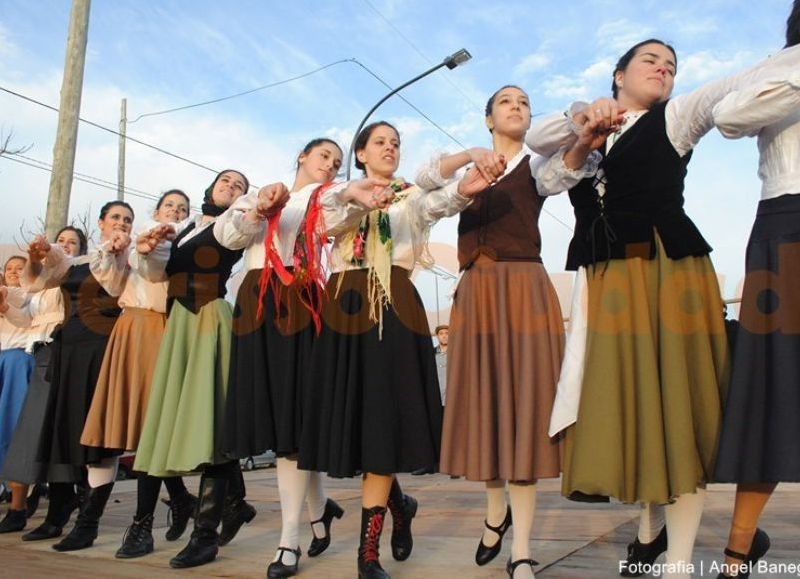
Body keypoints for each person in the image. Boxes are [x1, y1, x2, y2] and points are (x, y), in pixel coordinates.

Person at [527, 37, 800, 579]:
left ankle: (677, 562)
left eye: (671, 66)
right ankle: (652, 535)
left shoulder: (675, 116)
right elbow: (544, 171)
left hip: (665, 272)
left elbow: (728, 92)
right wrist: (583, 123)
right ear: (618, 75)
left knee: (673, 413)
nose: (664, 70)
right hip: (607, 284)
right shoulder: (586, 128)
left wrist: (780, 60)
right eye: (650, 61)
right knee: (633, 410)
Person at [298, 120, 491, 579]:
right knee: (361, 422)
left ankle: (368, 554)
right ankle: (400, 504)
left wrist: (465, 184)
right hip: (345, 305)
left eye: (395, 144)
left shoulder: (409, 196)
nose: (389, 149)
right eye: (379, 143)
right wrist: (354, 197)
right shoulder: (338, 193)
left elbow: (438, 199)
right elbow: (325, 223)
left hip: (395, 303)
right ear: (360, 153)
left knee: (383, 418)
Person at [416, 85, 586, 579]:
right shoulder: (465, 171)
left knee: (526, 410)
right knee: (487, 406)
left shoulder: (535, 165)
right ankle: (495, 515)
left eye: (524, 103)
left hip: (523, 286)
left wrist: (578, 127)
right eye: (506, 102)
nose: (517, 107)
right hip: (476, 291)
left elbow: (569, 167)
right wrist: (471, 156)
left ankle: (523, 548)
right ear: (488, 118)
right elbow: (424, 181)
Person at [218, 138, 347, 578]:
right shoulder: (267, 194)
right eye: (324, 156)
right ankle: (318, 511)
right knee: (285, 420)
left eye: (337, 161)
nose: (330, 165)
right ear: (302, 157)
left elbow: (344, 213)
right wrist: (258, 207)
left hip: (305, 299)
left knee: (295, 423)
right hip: (259, 300)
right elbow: (229, 235)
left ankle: (287, 540)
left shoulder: (330, 199)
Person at [132, 169, 273, 569]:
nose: (232, 187)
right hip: (178, 323)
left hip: (209, 318)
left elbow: (240, 229)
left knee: (213, 427)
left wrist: (250, 205)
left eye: (240, 186)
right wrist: (147, 249)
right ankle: (234, 505)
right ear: (210, 188)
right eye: (226, 182)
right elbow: (156, 274)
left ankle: (205, 535)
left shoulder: (236, 222)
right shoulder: (185, 228)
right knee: (178, 422)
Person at [711, 4, 800, 577]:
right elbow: (730, 117)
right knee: (774, 388)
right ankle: (737, 553)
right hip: (786, 223)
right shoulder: (782, 66)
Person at [77, 190, 199, 558]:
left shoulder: (186, 244)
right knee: (136, 428)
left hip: (164, 329)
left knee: (152, 428)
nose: (175, 212)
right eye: (169, 207)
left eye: (182, 208)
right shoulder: (138, 245)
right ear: (156, 211)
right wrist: (117, 250)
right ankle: (179, 500)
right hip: (131, 328)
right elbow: (113, 284)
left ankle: (143, 524)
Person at [22, 203, 133, 552]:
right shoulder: (75, 263)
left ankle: (89, 523)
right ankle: (59, 512)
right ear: (101, 222)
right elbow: (37, 281)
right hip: (68, 348)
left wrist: (118, 251)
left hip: (103, 348)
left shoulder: (130, 260)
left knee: (100, 437)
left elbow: (115, 288)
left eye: (128, 220)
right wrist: (39, 254)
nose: (121, 223)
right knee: (65, 432)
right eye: (115, 217)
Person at [0, 227, 85, 542]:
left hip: (56, 355)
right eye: (59, 241)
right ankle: (34, 506)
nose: (61, 247)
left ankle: (55, 506)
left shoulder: (74, 281)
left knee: (46, 432)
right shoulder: (38, 287)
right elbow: (26, 316)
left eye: (70, 243)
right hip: (37, 355)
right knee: (29, 434)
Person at [0, 256, 36, 533]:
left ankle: (17, 506)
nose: (13, 272)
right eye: (9, 268)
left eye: (19, 268)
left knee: (14, 433)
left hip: (17, 364)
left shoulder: (30, 297)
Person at [433, 324, 448, 406]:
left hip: (451, 399)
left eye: (447, 333)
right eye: (441, 333)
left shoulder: (456, 354)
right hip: (436, 398)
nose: (444, 336)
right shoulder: (431, 354)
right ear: (437, 336)